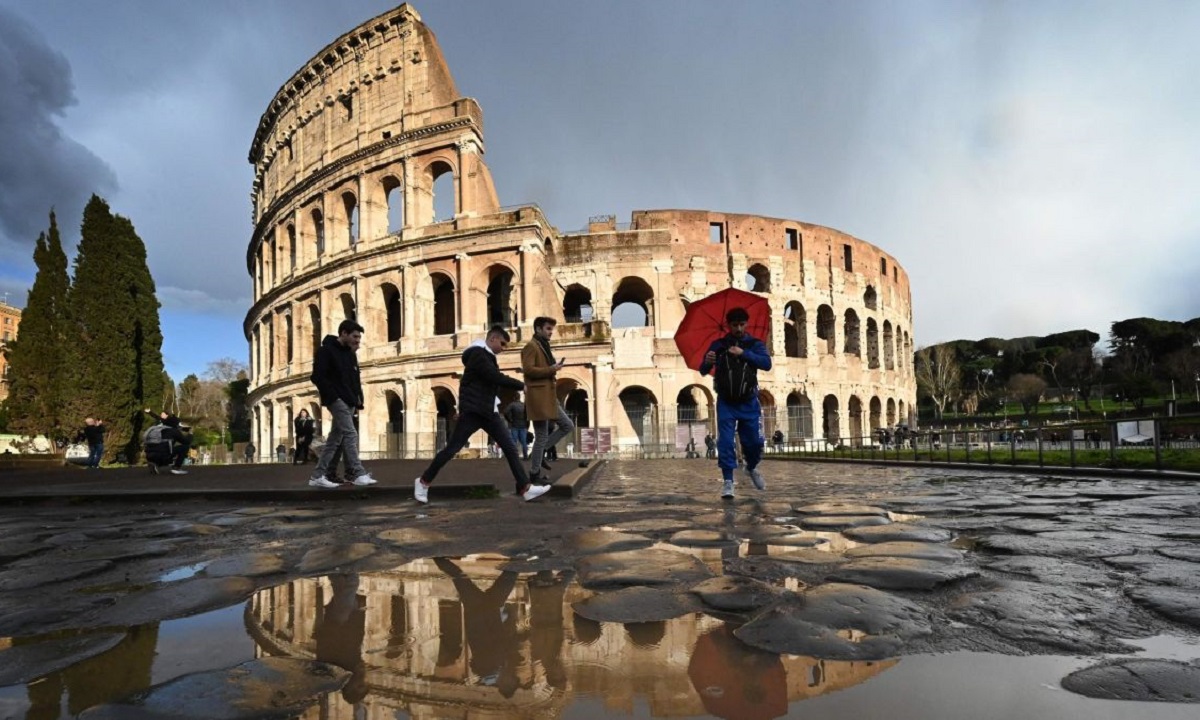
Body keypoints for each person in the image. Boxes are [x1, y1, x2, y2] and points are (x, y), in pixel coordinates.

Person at [414, 326, 550, 503]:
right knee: (452, 449)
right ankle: (423, 482)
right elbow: (494, 377)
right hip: (473, 411)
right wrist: (521, 385)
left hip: (488, 411)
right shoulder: (478, 354)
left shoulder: (486, 356)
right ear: (492, 339)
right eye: (502, 343)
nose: (504, 348)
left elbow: (487, 380)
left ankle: (525, 488)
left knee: (509, 447)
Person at [698, 307, 772, 499]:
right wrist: (707, 361)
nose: (738, 328)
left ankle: (752, 467)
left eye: (741, 324)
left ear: (746, 324)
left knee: (754, 443)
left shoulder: (754, 344)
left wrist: (743, 353)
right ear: (728, 325)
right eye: (734, 325)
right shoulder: (719, 345)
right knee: (725, 441)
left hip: (748, 401)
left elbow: (766, 364)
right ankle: (728, 481)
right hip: (726, 402)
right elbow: (703, 370)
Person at [309, 319, 376, 488]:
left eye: (359, 338)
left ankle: (318, 475)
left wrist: (358, 399)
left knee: (334, 440)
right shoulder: (326, 351)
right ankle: (358, 473)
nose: (357, 341)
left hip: (350, 400)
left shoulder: (349, 353)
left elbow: (355, 378)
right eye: (355, 336)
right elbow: (317, 376)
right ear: (343, 333)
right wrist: (333, 397)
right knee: (350, 434)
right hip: (337, 399)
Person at [522, 316, 575, 484]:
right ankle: (534, 473)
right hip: (539, 396)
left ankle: (539, 456)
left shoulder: (543, 346)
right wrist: (551, 369)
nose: (551, 332)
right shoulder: (531, 346)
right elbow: (528, 370)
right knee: (542, 435)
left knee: (566, 426)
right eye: (548, 329)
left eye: (552, 329)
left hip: (548, 395)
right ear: (538, 329)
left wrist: (552, 368)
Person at [313, 573, 368, 705]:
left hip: (341, 621)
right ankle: (339, 566)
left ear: (349, 688)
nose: (363, 681)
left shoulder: (339, 671)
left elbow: (328, 648)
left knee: (349, 583)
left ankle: (340, 564)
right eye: (364, 684)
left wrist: (335, 625)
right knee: (343, 586)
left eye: (359, 686)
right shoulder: (345, 672)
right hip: (346, 620)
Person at [142, 408, 192, 475]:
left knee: (162, 447)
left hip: (149, 455)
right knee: (185, 447)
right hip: (163, 456)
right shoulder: (173, 431)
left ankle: (155, 464)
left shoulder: (156, 429)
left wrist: (150, 412)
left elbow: (157, 417)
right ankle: (176, 468)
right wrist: (190, 434)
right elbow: (186, 442)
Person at [503, 394, 529, 459]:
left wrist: (509, 420)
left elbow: (505, 412)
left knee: (514, 441)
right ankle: (525, 456)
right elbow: (528, 415)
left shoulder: (512, 404)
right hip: (523, 425)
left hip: (514, 424)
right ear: (519, 398)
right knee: (524, 442)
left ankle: (514, 456)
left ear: (514, 398)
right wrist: (527, 425)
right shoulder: (524, 405)